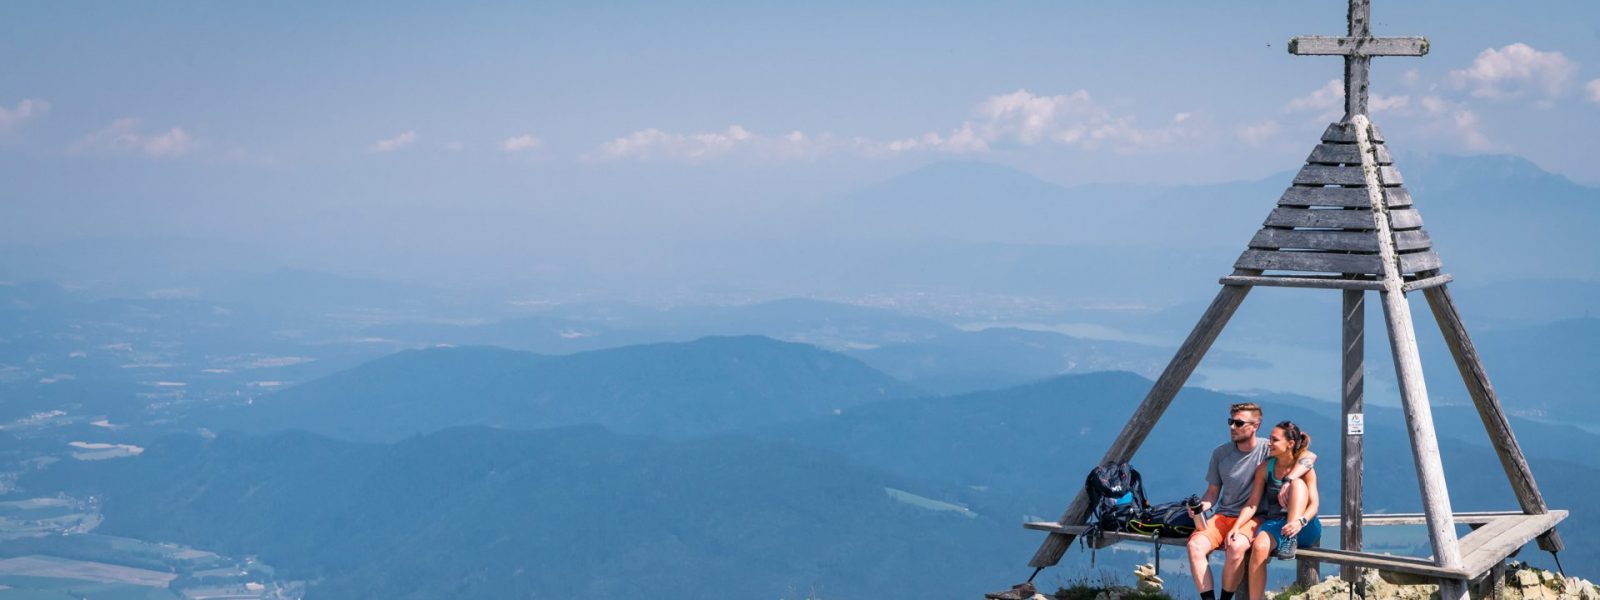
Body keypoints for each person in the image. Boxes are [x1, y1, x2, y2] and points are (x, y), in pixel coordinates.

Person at [1185, 402, 1269, 600]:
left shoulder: (1269, 450)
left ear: (1255, 426)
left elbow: (1304, 454)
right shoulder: (1220, 454)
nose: (1232, 427)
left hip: (1255, 517)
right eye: (1231, 421)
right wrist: (1201, 508)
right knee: (1195, 546)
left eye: (1239, 423)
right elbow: (1212, 492)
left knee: (1236, 546)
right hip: (1223, 515)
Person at [1234, 421, 1322, 600]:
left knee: (1297, 484)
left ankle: (1291, 538)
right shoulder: (1265, 469)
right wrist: (1236, 527)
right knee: (1259, 546)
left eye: (1274, 440)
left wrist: (1300, 521)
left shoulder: (1305, 469)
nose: (1269, 443)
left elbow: (1314, 505)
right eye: (1269, 439)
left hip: (1305, 526)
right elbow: (1252, 503)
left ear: (1289, 444)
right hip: (1276, 524)